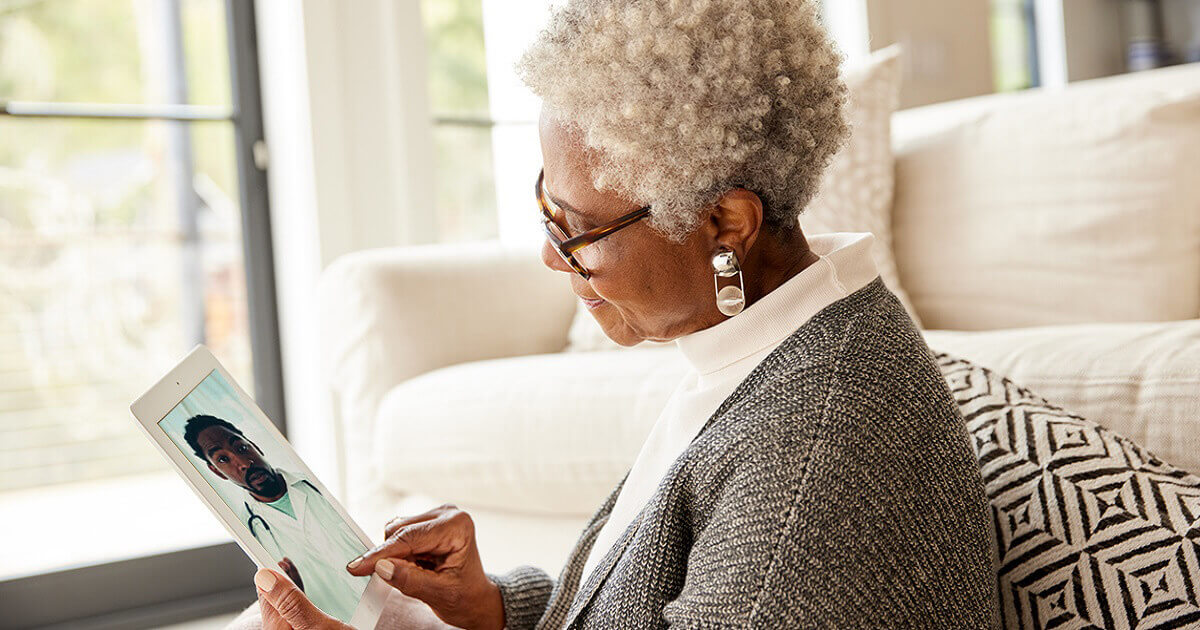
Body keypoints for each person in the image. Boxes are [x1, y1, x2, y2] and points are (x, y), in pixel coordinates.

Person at [233, 0, 999, 628]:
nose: (550, 254)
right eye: (546, 207)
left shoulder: (812, 456)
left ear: (725, 223)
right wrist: (497, 608)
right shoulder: (771, 345)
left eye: (579, 228)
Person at [183, 415, 369, 622]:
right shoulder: (250, 531)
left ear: (254, 446)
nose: (244, 463)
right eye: (223, 459)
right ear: (216, 472)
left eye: (242, 448)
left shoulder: (320, 480)